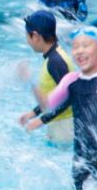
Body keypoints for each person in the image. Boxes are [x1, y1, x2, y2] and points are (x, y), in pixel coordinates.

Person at [31, 26, 97, 190]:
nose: (79, 51)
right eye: (75, 47)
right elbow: (46, 104)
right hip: (81, 158)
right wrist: (29, 82)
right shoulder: (70, 80)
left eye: (86, 46)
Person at [18, 11, 74, 144]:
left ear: (36, 36)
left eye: (27, 36)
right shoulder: (53, 57)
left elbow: (69, 97)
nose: (27, 41)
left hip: (65, 127)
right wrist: (33, 113)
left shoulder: (56, 61)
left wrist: (41, 120)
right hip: (60, 124)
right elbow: (54, 96)